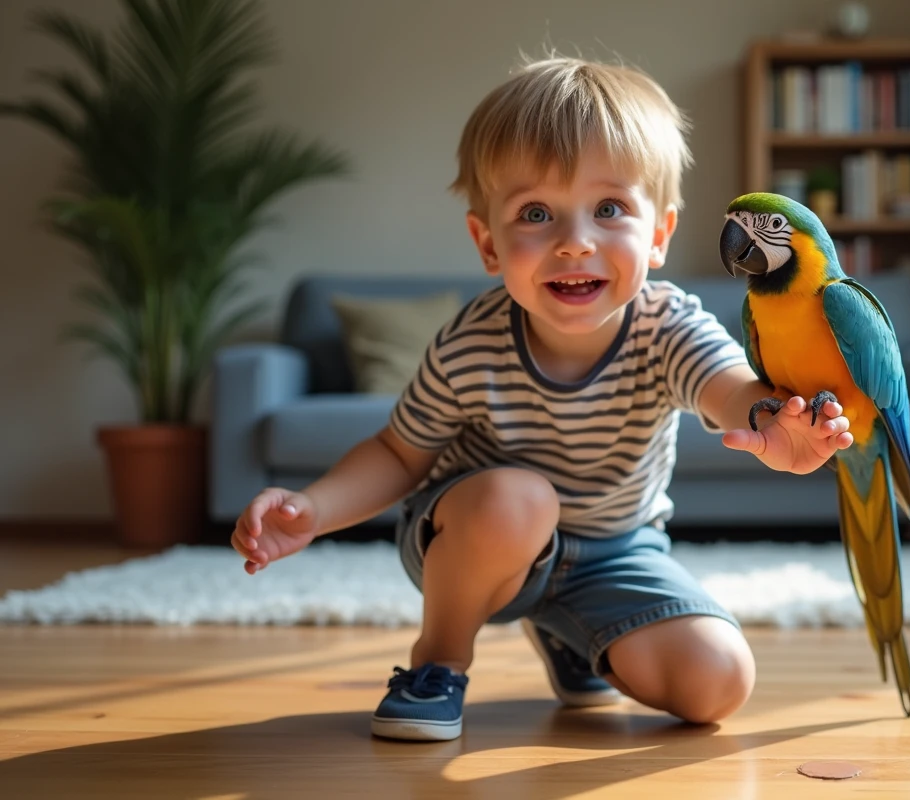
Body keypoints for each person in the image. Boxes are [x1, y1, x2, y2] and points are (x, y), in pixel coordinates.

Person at [229, 55, 853, 742]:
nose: (574, 242)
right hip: (471, 542)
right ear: (488, 243)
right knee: (520, 499)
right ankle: (437, 660)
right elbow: (398, 452)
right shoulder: (470, 343)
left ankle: (576, 638)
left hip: (616, 552)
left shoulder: (669, 325)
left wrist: (769, 423)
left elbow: (725, 384)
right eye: (536, 213)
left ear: (660, 235)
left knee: (718, 681)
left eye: (609, 209)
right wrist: (314, 508)